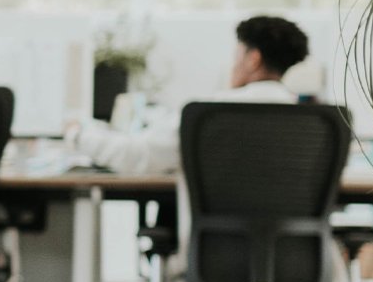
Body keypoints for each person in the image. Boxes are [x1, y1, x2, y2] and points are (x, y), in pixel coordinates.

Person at [66, 15, 312, 175]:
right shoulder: (312, 123)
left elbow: (135, 156)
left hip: (214, 250)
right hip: (298, 254)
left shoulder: (208, 115)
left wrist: (78, 135)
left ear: (253, 59)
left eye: (236, 56)